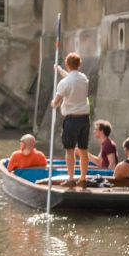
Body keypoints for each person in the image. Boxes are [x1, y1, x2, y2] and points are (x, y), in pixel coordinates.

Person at [50, 52, 90, 187]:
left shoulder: (64, 83)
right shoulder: (84, 78)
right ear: (79, 65)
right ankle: (83, 178)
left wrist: (52, 103)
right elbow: (72, 79)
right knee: (83, 150)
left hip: (71, 120)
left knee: (70, 150)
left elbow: (56, 102)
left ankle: (71, 178)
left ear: (67, 64)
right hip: (84, 119)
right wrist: (60, 70)